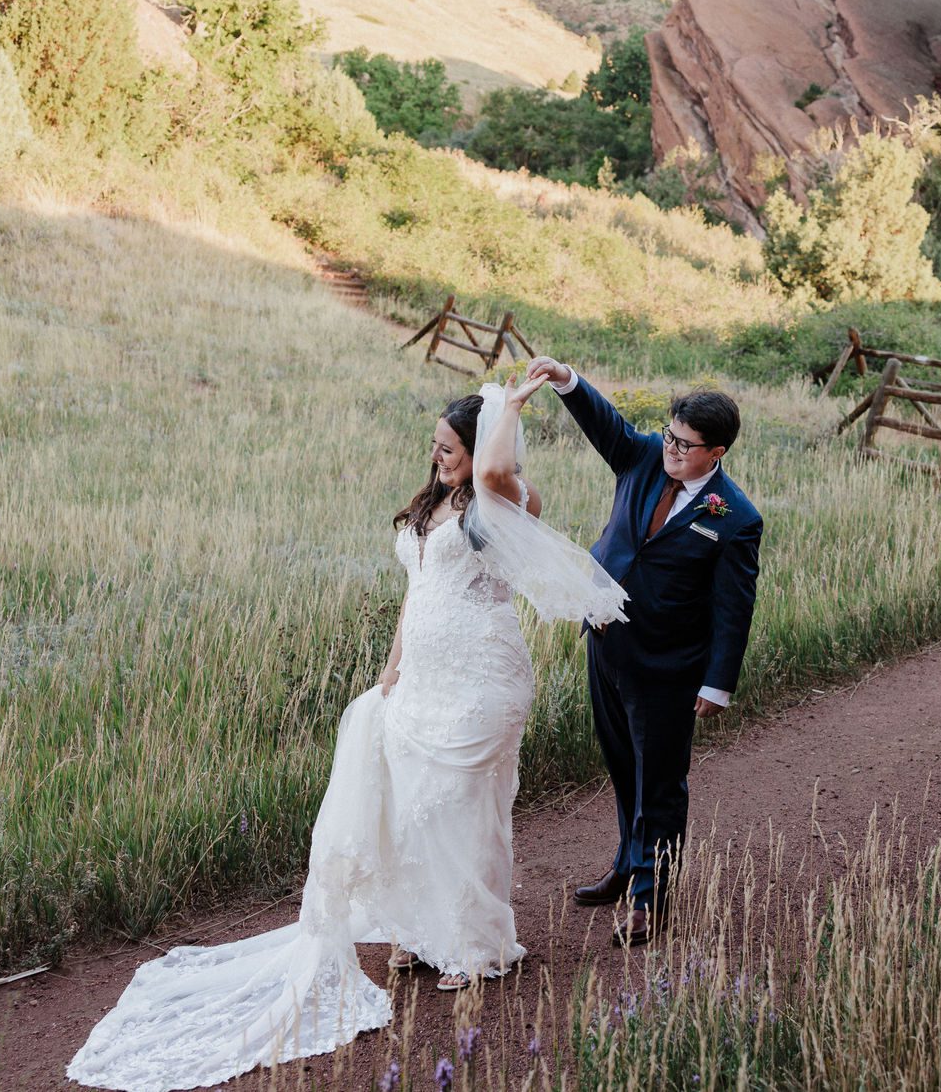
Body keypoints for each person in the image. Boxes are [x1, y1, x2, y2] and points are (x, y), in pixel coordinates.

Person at [67, 375, 624, 1091]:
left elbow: (490, 469)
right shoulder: (430, 507)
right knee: (411, 804)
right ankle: (424, 933)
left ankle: (475, 945)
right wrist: (392, 667)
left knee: (462, 805)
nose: (440, 457)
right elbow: (417, 591)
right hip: (423, 676)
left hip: (483, 680)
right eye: (436, 447)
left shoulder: (504, 500)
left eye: (451, 447)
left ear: (482, 447)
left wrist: (507, 408)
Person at [525, 356, 763, 947]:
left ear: (718, 453)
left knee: (659, 783)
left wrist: (717, 682)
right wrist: (566, 381)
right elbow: (606, 423)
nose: (673, 450)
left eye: (687, 445)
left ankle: (650, 902)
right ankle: (630, 864)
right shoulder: (641, 458)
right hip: (606, 644)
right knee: (623, 769)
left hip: (667, 668)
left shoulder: (734, 519)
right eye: (670, 435)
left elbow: (733, 608)